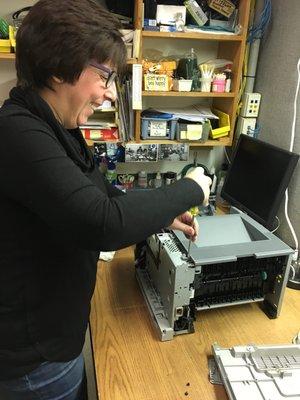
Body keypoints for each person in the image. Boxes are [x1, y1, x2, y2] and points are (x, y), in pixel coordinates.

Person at [0, 0, 211, 399]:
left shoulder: (57, 126)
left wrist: (163, 216)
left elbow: (99, 195)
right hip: (33, 360)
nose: (109, 95)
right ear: (61, 67)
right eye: (104, 76)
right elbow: (100, 222)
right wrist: (193, 188)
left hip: (56, 340)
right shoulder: (17, 133)